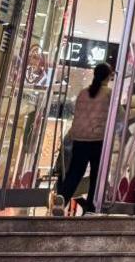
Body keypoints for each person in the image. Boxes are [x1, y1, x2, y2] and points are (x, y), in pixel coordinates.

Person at [55, 62, 112, 215]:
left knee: (75, 172)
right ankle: (91, 207)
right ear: (108, 76)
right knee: (96, 174)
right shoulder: (109, 94)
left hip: (79, 138)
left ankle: (62, 199)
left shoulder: (83, 92)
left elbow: (77, 114)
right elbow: (117, 117)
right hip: (97, 139)